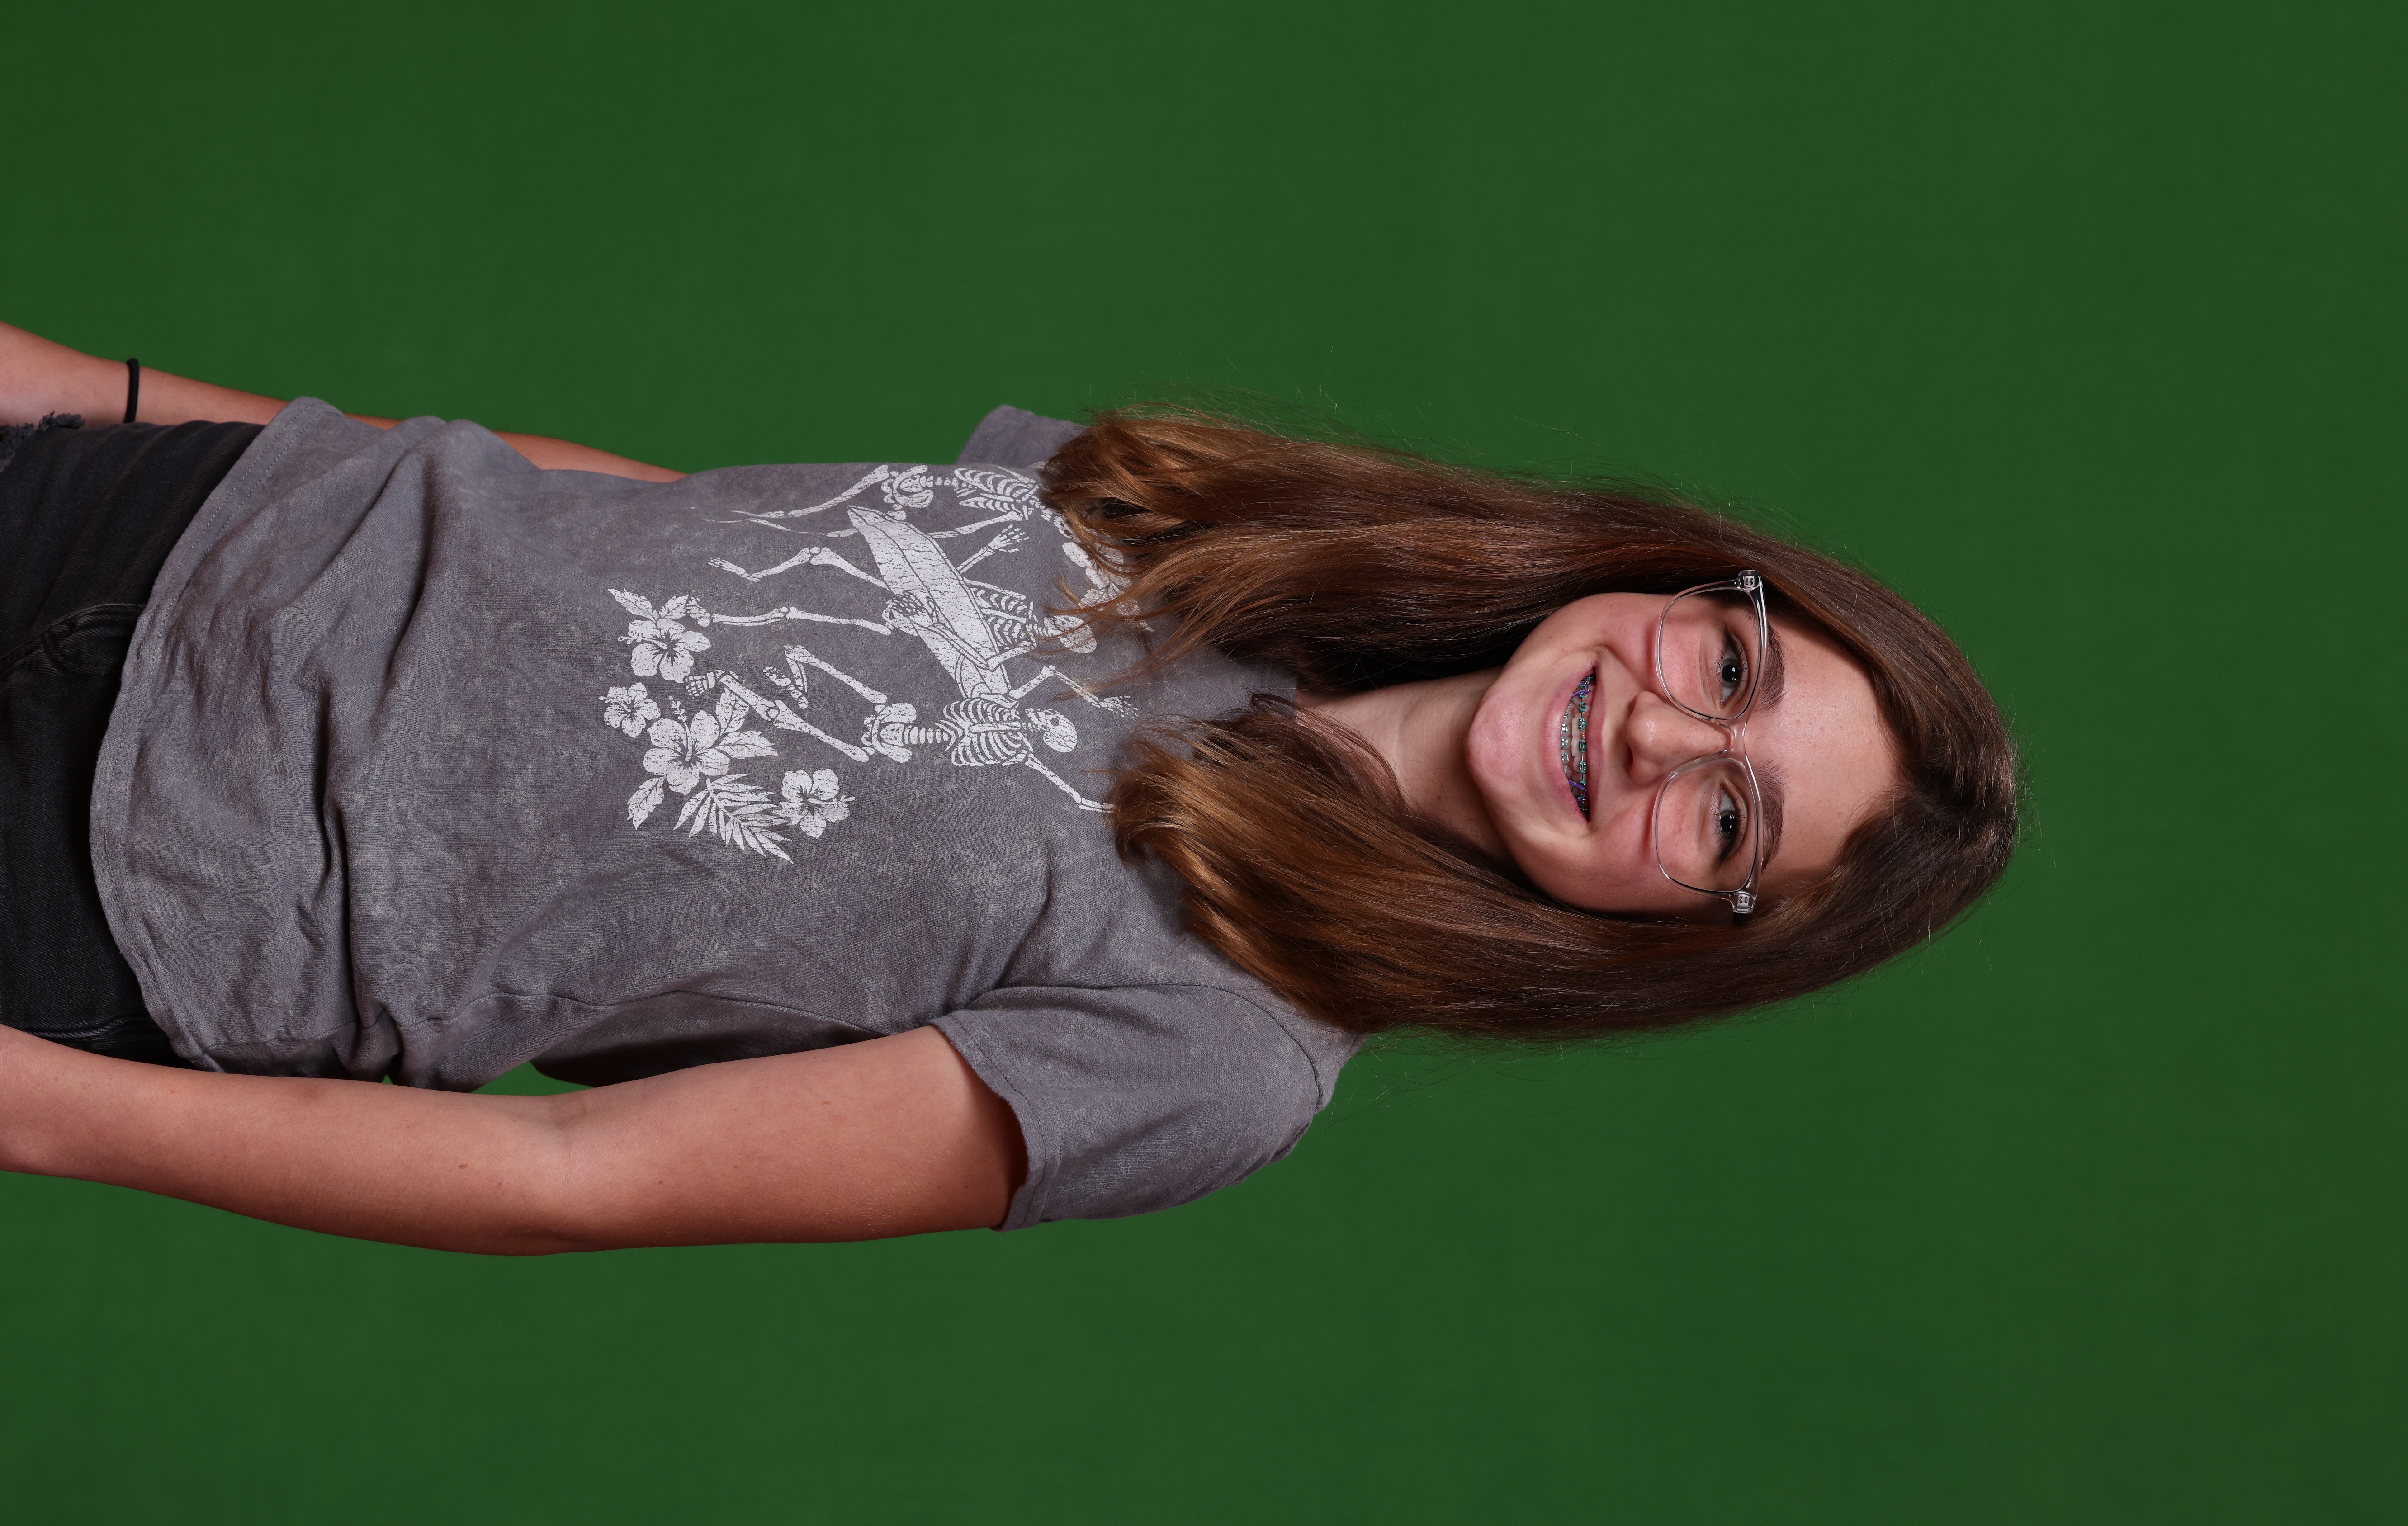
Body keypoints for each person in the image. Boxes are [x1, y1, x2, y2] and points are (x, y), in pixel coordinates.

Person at [0, 320, 2019, 1254]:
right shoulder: (1221, 527)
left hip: (125, 877)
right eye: (1733, 666)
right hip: (155, 523)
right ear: (1683, 583)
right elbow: (646, 527)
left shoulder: (1222, 1058)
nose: (1669, 735)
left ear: (1684, 932)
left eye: (1730, 818)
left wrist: (41, 1113)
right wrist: (98, 394)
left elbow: (582, 1177)